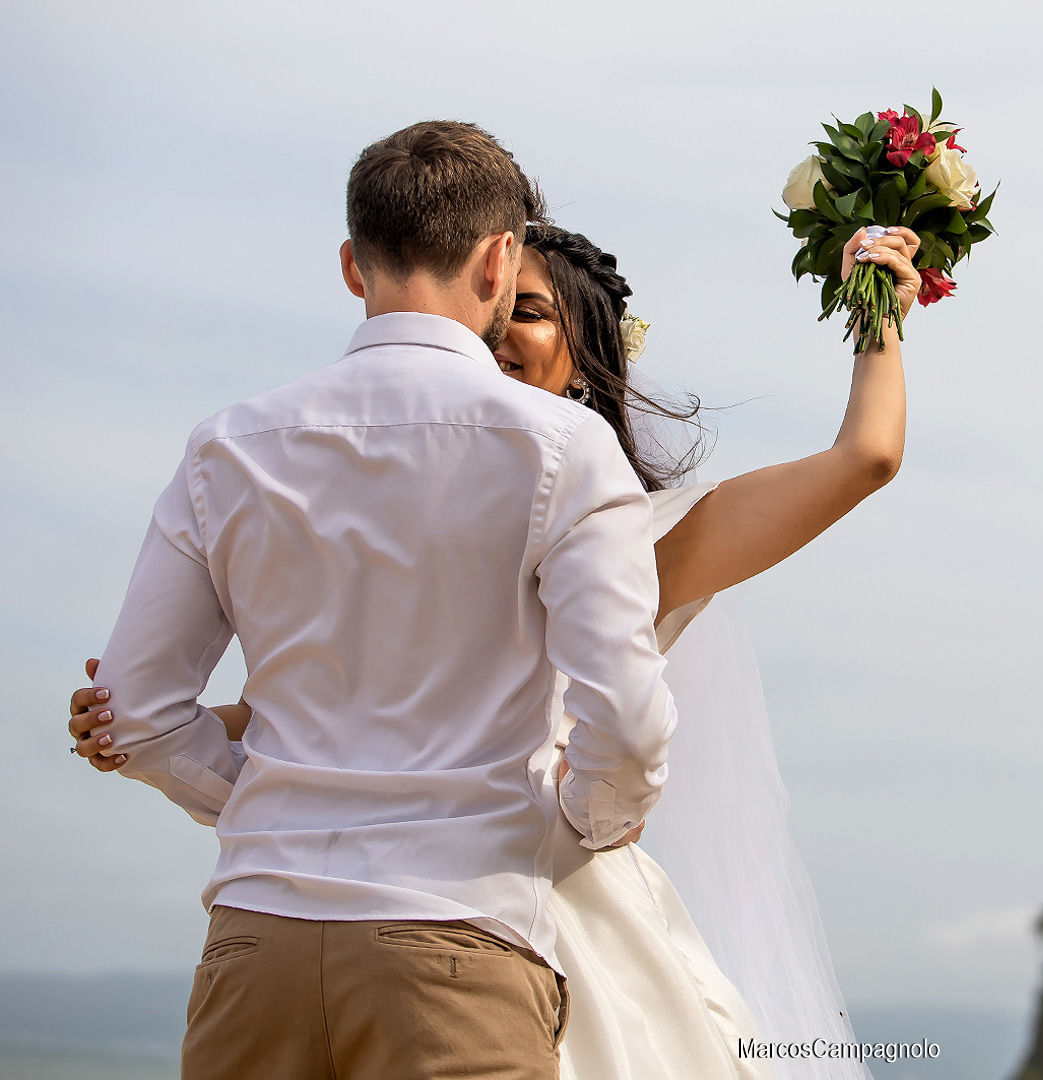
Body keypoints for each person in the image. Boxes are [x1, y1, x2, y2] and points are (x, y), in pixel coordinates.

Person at [70, 212, 922, 1079]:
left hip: (537, 910)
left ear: (588, 360)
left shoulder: (646, 541)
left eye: (534, 311)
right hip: (408, 929)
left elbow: (866, 456)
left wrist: (878, 301)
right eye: (499, 306)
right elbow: (310, 710)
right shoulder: (406, 512)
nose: (501, 329)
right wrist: (142, 723)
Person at [67, 119, 667, 1079]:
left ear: (353, 265)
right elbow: (626, 719)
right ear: (502, 260)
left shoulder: (228, 445)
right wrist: (575, 826)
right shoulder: (561, 447)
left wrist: (270, 805)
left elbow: (135, 714)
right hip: (456, 946)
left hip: (254, 945)